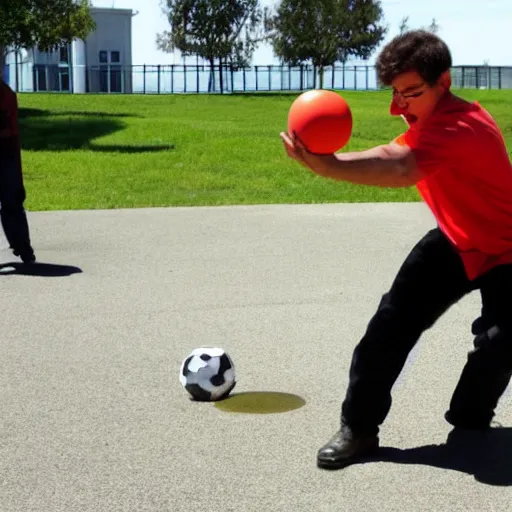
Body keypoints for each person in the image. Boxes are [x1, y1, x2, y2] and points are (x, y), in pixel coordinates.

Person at [280, 30, 512, 470]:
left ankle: (470, 414)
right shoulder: (429, 113)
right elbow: (396, 149)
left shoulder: (462, 125)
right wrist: (334, 158)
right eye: (394, 92)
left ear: (444, 81)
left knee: (501, 343)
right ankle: (358, 428)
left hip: (507, 248)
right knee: (389, 326)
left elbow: (402, 166)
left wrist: (329, 165)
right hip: (456, 236)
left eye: (410, 93)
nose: (399, 105)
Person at [0, 78, 36, 263]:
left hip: (6, 152)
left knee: (12, 203)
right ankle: (23, 248)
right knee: (12, 204)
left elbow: (10, 131)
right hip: (8, 153)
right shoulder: (7, 93)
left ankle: (22, 247)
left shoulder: (6, 95)